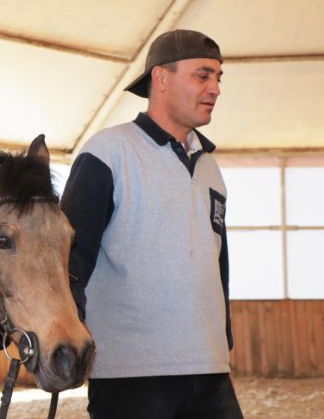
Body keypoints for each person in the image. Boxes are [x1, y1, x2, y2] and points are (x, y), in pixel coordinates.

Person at [60, 29, 243, 418]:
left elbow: (218, 264)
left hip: (209, 369)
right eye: (203, 75)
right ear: (160, 78)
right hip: (130, 373)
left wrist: (221, 342)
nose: (215, 88)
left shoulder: (210, 166)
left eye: (218, 77)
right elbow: (68, 255)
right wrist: (69, 329)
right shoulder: (108, 152)